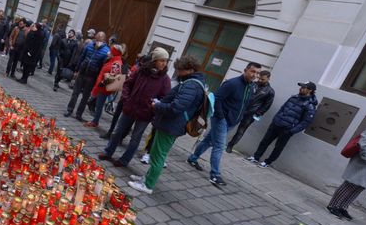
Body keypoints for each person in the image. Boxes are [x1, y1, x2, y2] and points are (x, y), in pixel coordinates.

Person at [128, 56, 206, 194]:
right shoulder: (193, 82)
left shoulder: (191, 85)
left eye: (180, 70)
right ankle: (146, 178)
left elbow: (176, 107)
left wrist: (157, 106)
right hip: (170, 124)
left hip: (172, 125)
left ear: (189, 70)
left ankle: (148, 185)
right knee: (155, 153)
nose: (178, 73)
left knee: (158, 156)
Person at [187, 62, 262, 186]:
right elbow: (217, 98)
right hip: (221, 120)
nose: (255, 75)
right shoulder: (232, 83)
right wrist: (221, 117)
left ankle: (193, 158)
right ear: (245, 70)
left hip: (233, 121)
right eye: (253, 71)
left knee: (209, 141)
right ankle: (215, 175)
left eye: (258, 73)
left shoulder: (251, 87)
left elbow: (243, 104)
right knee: (219, 146)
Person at [99, 48, 171, 168]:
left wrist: (153, 106)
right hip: (130, 107)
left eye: (166, 61)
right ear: (154, 60)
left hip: (145, 113)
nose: (164, 63)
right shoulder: (141, 71)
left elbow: (165, 97)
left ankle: (124, 160)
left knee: (135, 138)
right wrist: (126, 99)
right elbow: (128, 84)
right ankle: (108, 152)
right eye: (161, 60)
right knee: (117, 132)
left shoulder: (165, 79)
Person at [246, 82, 318, 168]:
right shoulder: (293, 97)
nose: (300, 88)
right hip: (276, 124)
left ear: (310, 90)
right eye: (301, 86)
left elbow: (306, 122)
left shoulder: (310, 105)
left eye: (304, 87)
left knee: (278, 147)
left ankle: (267, 162)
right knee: (264, 141)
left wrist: (291, 131)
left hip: (287, 129)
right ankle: (255, 157)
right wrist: (275, 120)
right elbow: (282, 109)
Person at [65, 32, 110, 121]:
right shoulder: (89, 45)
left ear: (104, 40)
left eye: (100, 40)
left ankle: (79, 114)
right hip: (82, 73)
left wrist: (98, 78)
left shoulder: (106, 51)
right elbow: (82, 57)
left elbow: (103, 66)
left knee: (85, 97)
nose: (98, 41)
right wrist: (77, 70)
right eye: (97, 39)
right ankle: (70, 110)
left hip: (92, 77)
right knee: (75, 93)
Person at [226, 70, 275, 153]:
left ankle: (230, 145)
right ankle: (218, 139)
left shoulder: (270, 91)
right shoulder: (252, 84)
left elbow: (267, 105)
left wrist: (257, 114)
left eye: (262, 79)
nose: (259, 80)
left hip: (250, 114)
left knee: (241, 131)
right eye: (259, 78)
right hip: (240, 109)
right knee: (228, 125)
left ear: (268, 79)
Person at [84, 43, 124, 128]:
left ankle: (95, 122)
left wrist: (103, 83)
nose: (108, 52)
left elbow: (114, 75)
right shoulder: (113, 60)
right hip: (102, 87)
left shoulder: (116, 62)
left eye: (111, 51)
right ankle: (95, 121)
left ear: (114, 52)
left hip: (104, 88)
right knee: (98, 105)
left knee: (99, 105)